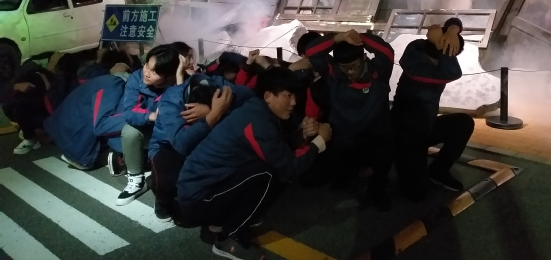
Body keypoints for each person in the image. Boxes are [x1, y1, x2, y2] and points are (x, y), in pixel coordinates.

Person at [177, 68, 331, 259]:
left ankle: (223, 220)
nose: (293, 102)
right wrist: (320, 142)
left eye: (295, 96)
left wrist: (303, 134)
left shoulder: (256, 110)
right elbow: (291, 167)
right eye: (288, 95)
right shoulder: (258, 121)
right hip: (198, 200)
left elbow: (278, 148)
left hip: (203, 191)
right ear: (268, 96)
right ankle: (229, 238)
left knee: (264, 168)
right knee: (266, 173)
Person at [303, 30, 395, 212]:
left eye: (354, 66)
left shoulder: (379, 72)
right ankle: (345, 176)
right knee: (313, 178)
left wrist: (359, 37)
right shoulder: (332, 72)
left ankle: (377, 190)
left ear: (363, 58)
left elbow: (386, 51)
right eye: (345, 68)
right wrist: (338, 37)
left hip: (376, 135)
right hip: (343, 136)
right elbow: (311, 51)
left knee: (383, 158)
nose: (350, 72)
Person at [149, 73, 254, 221]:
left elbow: (251, 99)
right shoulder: (171, 100)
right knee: (167, 176)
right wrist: (213, 116)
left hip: (205, 137)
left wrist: (214, 112)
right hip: (167, 146)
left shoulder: (220, 85)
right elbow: (181, 144)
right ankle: (163, 200)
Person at [392, 19, 475, 201]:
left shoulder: (428, 52)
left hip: (425, 128)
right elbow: (452, 73)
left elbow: (453, 20)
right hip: (405, 137)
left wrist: (452, 30)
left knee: (463, 123)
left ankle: (438, 170)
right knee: (417, 194)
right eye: (450, 53)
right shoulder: (415, 60)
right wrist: (442, 43)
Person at [113, 44, 184, 206]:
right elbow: (130, 112)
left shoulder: (181, 82)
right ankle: (136, 179)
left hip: (172, 133)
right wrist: (152, 116)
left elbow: (183, 113)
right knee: (129, 131)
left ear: (169, 75)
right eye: (147, 66)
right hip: (149, 129)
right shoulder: (137, 79)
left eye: (154, 71)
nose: (146, 73)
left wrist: (180, 78)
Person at [43, 66, 133, 170]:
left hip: (62, 130)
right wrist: (139, 118)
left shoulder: (101, 80)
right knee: (120, 124)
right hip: (77, 146)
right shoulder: (114, 84)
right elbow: (102, 125)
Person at [9, 52, 80, 154]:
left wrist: (47, 87)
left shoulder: (59, 79)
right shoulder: (76, 80)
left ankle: (31, 138)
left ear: (58, 66)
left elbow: (53, 107)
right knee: (22, 104)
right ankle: (32, 133)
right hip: (68, 121)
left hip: (58, 119)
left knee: (20, 107)